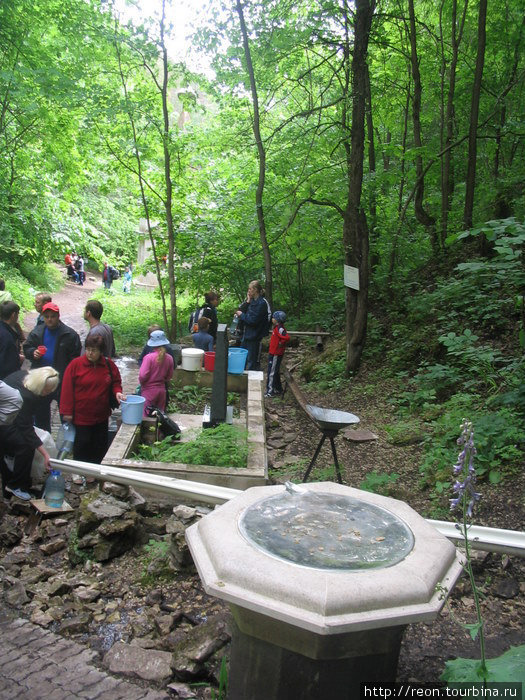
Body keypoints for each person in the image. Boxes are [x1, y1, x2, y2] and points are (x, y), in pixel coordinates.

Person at [60, 335, 124, 465]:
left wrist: (118, 392)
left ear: (101, 351)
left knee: (99, 444)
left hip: (101, 415)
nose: (90, 353)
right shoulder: (75, 365)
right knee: (82, 443)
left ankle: (94, 471)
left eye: (94, 350)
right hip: (81, 415)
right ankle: (78, 470)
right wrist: (67, 412)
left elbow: (116, 381)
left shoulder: (108, 365)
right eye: (88, 349)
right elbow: (66, 389)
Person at [0, 367, 58, 500]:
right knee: (25, 446)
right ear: (40, 385)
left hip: (10, 415)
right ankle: (15, 485)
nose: (47, 393)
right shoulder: (26, 396)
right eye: (46, 390)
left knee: (20, 446)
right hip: (5, 420)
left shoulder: (27, 376)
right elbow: (26, 428)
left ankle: (21, 484)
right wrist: (45, 454)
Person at [23, 302, 81, 431]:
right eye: (47, 316)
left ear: (58, 316)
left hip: (62, 381)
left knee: (66, 414)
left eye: (52, 316)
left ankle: (68, 440)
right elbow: (27, 347)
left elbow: (75, 359)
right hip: (42, 381)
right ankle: (44, 440)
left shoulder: (70, 335)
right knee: (41, 415)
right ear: (43, 317)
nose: (49, 319)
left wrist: (71, 378)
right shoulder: (37, 332)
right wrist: (33, 353)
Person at [235, 280, 271, 371]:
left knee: (252, 362)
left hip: (254, 336)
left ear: (255, 290)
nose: (248, 291)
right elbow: (241, 310)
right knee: (241, 359)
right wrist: (247, 301)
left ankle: (252, 382)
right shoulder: (251, 301)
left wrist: (242, 315)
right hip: (246, 335)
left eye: (250, 289)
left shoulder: (261, 303)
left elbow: (253, 320)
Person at [138, 330, 174, 416]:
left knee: (146, 417)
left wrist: (142, 384)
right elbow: (169, 376)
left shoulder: (148, 358)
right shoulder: (169, 358)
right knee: (159, 418)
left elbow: (142, 375)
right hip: (162, 391)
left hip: (148, 391)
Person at [265, 311, 290, 397]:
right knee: (274, 371)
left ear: (277, 320)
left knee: (271, 372)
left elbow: (285, 337)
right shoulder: (276, 328)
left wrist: (280, 343)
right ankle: (278, 389)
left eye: (274, 318)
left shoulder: (280, 329)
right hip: (273, 352)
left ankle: (270, 391)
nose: (272, 319)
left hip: (276, 353)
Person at [0, 301, 24, 380]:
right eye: (18, 314)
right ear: (13, 315)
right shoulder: (7, 337)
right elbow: (8, 364)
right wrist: (17, 359)